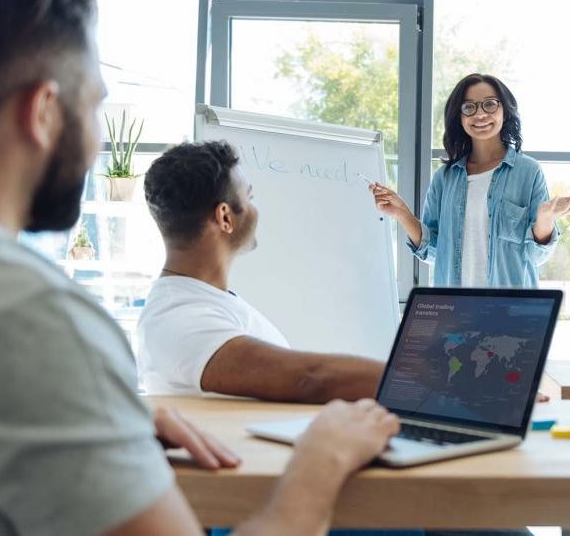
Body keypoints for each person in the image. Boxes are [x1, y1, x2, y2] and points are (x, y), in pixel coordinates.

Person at [0, 0, 398, 535]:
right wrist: (320, 459)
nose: (95, 139)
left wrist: (110, 423)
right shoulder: (29, 319)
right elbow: (308, 380)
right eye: (95, 104)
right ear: (42, 113)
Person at [138, 140, 385, 402]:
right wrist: (414, 384)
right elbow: (309, 379)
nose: (256, 209)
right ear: (225, 217)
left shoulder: (204, 301)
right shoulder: (179, 318)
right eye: (250, 197)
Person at [370, 73, 570, 288]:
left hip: (510, 311)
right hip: (455, 311)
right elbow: (433, 251)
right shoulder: (444, 179)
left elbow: (535, 256)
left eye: (490, 104)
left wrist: (545, 218)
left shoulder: (528, 172)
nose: (480, 114)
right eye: (469, 107)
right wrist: (402, 214)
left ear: (505, 111)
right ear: (459, 116)